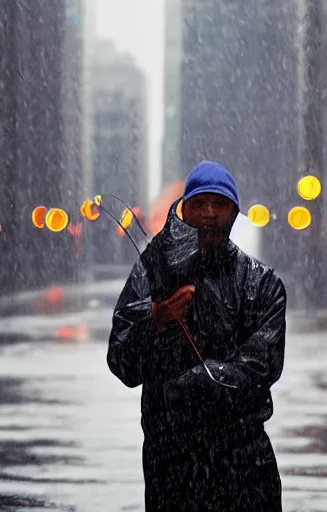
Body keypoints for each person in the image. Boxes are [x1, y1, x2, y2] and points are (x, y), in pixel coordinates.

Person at [107, 161, 286, 511]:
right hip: (170, 467)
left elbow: (261, 366)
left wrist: (196, 383)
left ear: (234, 212)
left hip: (245, 467)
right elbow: (122, 361)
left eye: (219, 205)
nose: (209, 214)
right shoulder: (154, 268)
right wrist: (155, 319)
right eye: (200, 203)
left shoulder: (262, 285)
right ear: (184, 208)